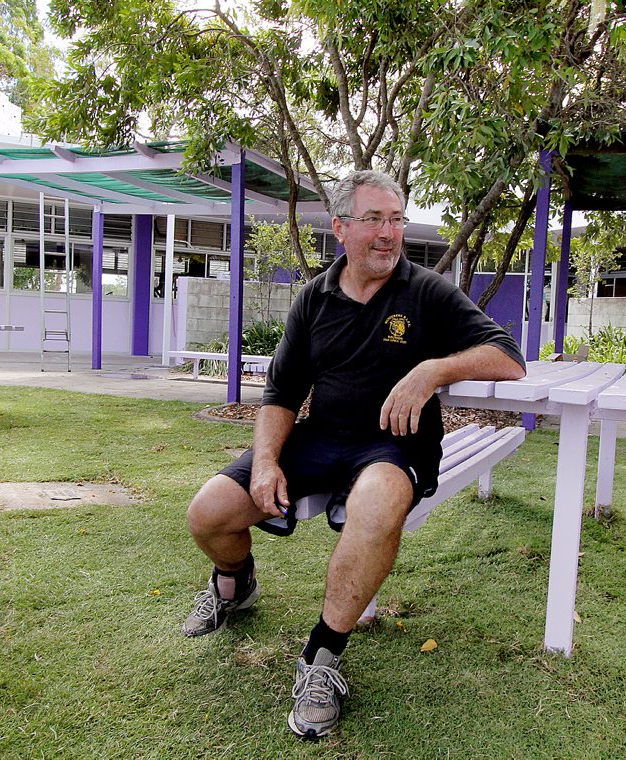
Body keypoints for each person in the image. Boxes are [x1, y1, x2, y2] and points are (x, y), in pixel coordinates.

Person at [182, 170, 526, 739]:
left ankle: (322, 658)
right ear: (341, 228)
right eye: (374, 220)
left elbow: (508, 355)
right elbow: (281, 393)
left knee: (374, 506)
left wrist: (433, 369)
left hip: (395, 444)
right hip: (321, 437)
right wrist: (266, 459)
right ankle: (233, 583)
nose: (389, 233)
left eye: (396, 219)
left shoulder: (426, 291)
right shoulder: (313, 298)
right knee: (209, 512)